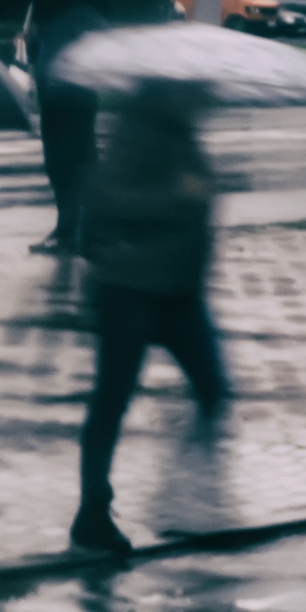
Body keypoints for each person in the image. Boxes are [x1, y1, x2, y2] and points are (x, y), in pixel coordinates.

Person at [69, 78, 231, 555]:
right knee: (112, 400)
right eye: (200, 89)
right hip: (129, 288)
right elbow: (109, 200)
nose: (208, 96)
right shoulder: (136, 127)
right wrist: (179, 197)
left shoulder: (183, 132)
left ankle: (182, 496)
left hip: (177, 291)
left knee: (212, 387)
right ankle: (92, 512)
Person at [27, 0, 108, 256]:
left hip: (75, 102)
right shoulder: (49, 14)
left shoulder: (84, 17)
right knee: (56, 166)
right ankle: (67, 229)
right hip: (52, 101)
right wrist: (31, 41)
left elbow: (97, 53)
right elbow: (41, 54)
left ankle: (76, 232)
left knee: (74, 167)